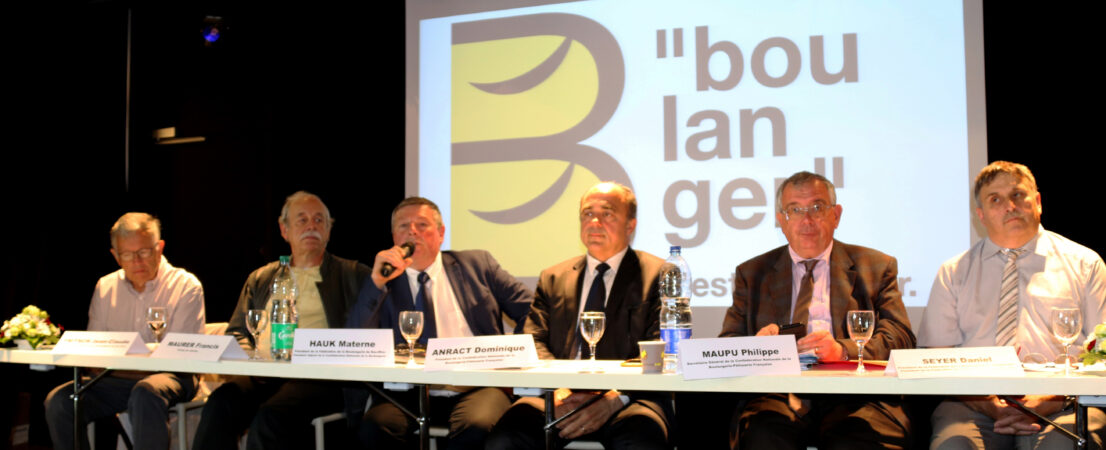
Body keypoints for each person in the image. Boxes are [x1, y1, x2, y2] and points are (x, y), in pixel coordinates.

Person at [720, 171, 915, 449]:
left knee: (857, 440)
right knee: (764, 436)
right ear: (781, 222)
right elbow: (728, 345)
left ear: (836, 215)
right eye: (795, 210)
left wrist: (844, 350)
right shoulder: (752, 273)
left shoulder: (876, 266)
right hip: (779, 395)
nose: (807, 220)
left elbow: (901, 337)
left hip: (856, 395)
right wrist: (757, 349)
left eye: (817, 208)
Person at [919, 161, 1106, 449]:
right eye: (996, 199)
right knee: (953, 445)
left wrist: (1051, 398)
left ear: (1038, 202)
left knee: (1063, 446)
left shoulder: (1086, 265)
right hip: (973, 404)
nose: (1010, 206)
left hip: (1066, 403)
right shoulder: (953, 272)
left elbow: (1101, 356)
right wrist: (990, 404)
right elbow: (935, 358)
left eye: (1018, 195)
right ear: (980, 215)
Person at [485, 182, 672, 450]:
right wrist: (558, 388)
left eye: (607, 214)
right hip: (557, 395)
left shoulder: (658, 274)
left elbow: (660, 347)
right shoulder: (554, 276)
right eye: (587, 214)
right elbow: (533, 341)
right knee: (505, 439)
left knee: (640, 441)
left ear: (631, 225)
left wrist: (614, 397)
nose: (594, 222)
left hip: (628, 397)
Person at [344, 196, 533, 449]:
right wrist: (376, 284)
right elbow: (356, 340)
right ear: (393, 237)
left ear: (441, 233)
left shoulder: (477, 265)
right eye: (403, 226)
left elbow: (533, 312)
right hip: (407, 390)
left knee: (476, 426)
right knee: (375, 428)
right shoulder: (382, 279)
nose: (412, 231)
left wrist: (511, 356)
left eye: (422, 225)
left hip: (476, 386)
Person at [192, 191, 371, 450]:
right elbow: (238, 332)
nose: (312, 226)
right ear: (284, 229)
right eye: (302, 220)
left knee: (271, 416)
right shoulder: (262, 278)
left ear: (329, 231)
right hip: (266, 373)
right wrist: (253, 363)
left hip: (321, 378)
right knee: (221, 402)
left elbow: (371, 331)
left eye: (320, 220)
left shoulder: (353, 274)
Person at [44, 213, 206, 450]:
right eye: (128, 255)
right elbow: (93, 354)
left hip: (173, 377)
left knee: (146, 391)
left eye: (144, 252)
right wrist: (122, 363)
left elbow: (180, 357)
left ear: (159, 247)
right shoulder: (105, 286)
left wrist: (120, 362)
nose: (137, 262)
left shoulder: (186, 285)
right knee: (60, 401)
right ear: (116, 256)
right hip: (114, 378)